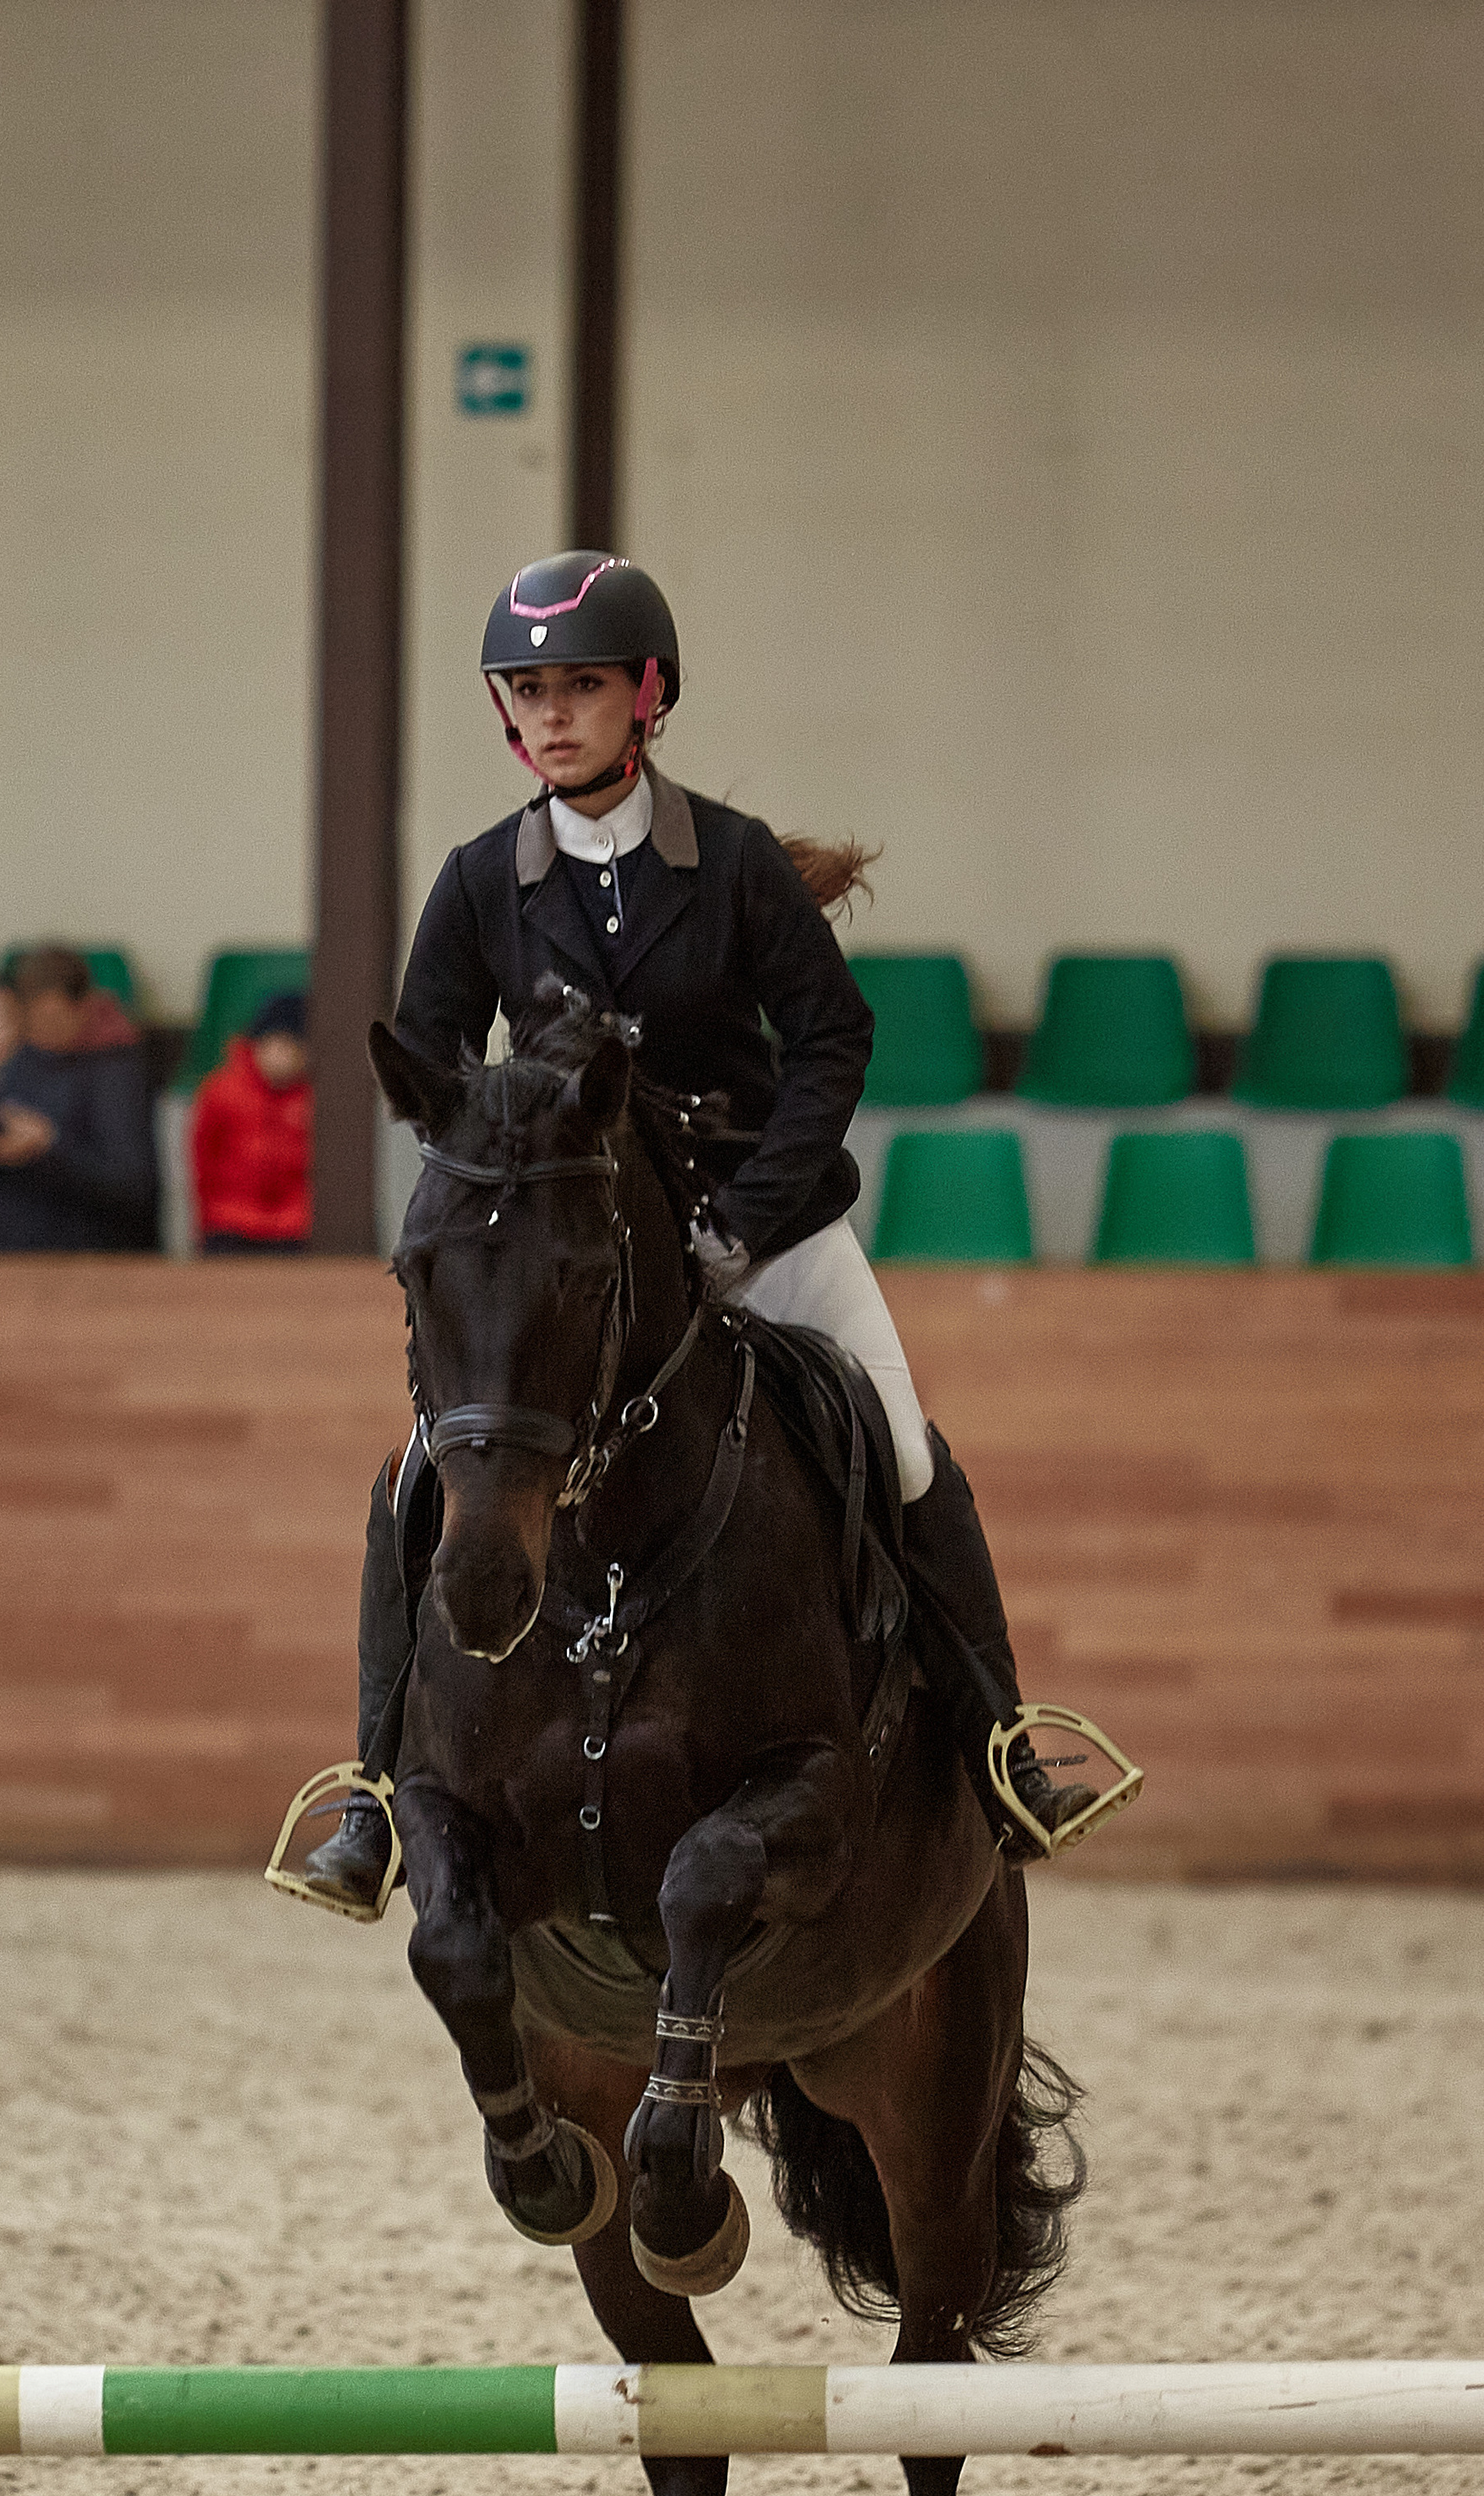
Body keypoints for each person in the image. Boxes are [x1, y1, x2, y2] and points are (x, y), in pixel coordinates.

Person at [300, 547, 1095, 1912]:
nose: (553, 714)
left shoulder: (729, 863)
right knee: (421, 1476)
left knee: (904, 1449)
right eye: (529, 691)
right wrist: (501, 1182)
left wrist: (751, 1214)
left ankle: (1001, 1749)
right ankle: (373, 1794)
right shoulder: (481, 880)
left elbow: (833, 1039)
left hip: (757, 1228)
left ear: (647, 696)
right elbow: (429, 1065)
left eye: (581, 687)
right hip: (572, 1255)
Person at [0, 947, 156, 1254]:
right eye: (31, 1019)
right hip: (16, 1253)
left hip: (93, 1255)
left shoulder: (116, 1073)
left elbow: (133, 1187)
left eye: (53, 1017)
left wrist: (49, 1145)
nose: (42, 1030)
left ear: (82, 1008)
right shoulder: (18, 1062)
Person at [191, 991, 312, 1252]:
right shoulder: (221, 1091)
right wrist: (206, 1225)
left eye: (293, 1045)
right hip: (230, 1226)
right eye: (275, 1043)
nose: (283, 1055)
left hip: (294, 1231)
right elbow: (204, 1167)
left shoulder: (314, 1099)